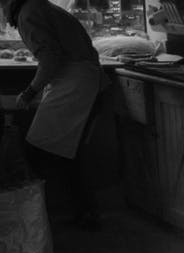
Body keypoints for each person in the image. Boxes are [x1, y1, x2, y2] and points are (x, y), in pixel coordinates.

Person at [2, 0, 107, 229]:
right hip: (78, 79)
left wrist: (29, 92)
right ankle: (84, 213)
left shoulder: (28, 14)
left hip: (76, 83)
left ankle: (36, 218)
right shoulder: (36, 7)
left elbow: (50, 59)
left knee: (37, 150)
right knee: (66, 154)